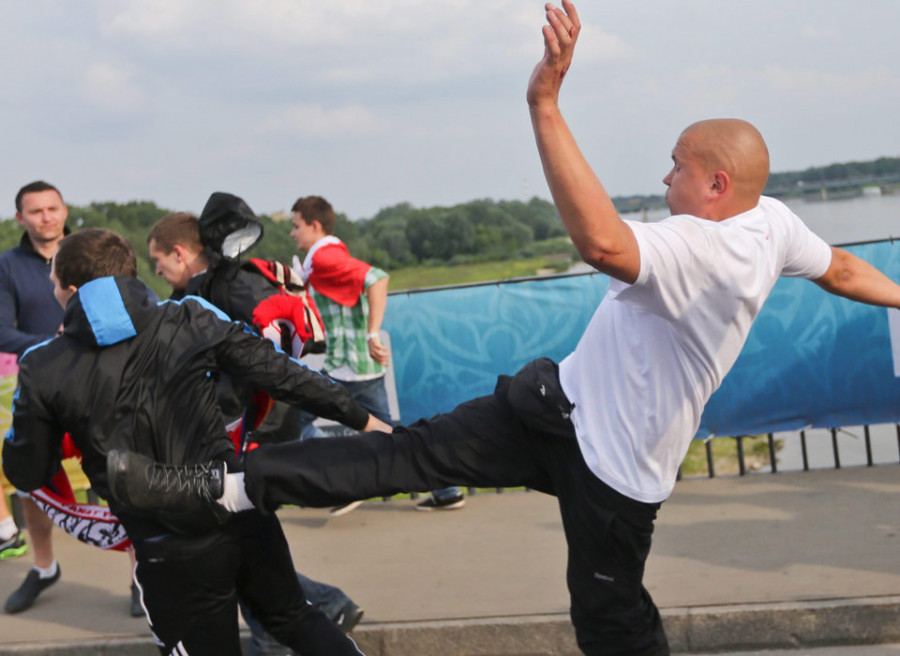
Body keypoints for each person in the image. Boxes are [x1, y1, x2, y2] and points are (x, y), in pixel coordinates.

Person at [106, 2, 900, 654]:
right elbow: (843, 269)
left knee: (612, 621)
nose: (664, 177)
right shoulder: (775, 219)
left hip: (616, 471)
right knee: (400, 455)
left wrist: (544, 103)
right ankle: (226, 487)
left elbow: (599, 243)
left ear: (717, 186)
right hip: (554, 405)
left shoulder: (708, 249)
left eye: (676, 168)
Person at [4, 227, 389, 655]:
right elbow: (283, 374)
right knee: (293, 617)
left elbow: (27, 470)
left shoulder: (43, 365)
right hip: (241, 508)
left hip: (167, 544)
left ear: (71, 290)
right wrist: (367, 421)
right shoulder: (190, 315)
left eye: (54, 282)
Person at [148, 207, 366, 649]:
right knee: (244, 539)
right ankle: (303, 617)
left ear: (179, 253)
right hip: (257, 423)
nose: (157, 272)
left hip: (247, 429)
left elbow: (260, 362)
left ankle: (315, 610)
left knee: (240, 539)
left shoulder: (215, 292)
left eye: (158, 263)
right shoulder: (232, 282)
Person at [0, 180, 139, 615]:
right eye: (35, 211)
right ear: (20, 217)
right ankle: (44, 566)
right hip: (41, 381)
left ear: (64, 211)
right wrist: (61, 344)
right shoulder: (7, 265)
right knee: (32, 481)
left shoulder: (90, 254)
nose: (46, 217)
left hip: (103, 380)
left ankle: (141, 574)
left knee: (126, 469)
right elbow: (3, 330)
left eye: (52, 208)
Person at [290, 196, 465, 514]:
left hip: (349, 367)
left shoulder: (326, 257)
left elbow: (377, 278)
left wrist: (372, 332)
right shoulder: (323, 258)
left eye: (296, 225)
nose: (292, 233)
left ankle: (348, 476)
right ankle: (447, 488)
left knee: (296, 417)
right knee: (392, 436)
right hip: (355, 366)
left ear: (314, 226)